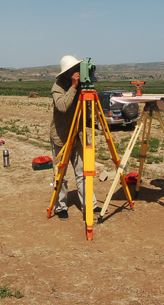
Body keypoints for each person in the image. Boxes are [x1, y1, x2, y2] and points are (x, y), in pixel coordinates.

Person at [50, 55, 101, 220]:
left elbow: (87, 110)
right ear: (67, 73)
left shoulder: (82, 86)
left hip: (78, 136)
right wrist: (73, 86)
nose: (78, 72)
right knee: (60, 175)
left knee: (82, 172)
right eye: (75, 70)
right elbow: (63, 106)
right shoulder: (57, 87)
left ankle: (89, 204)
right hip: (62, 137)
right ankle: (60, 207)